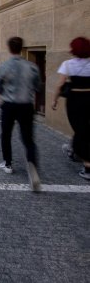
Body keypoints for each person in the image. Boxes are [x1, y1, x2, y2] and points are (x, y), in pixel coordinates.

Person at [0, 36, 42, 191]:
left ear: (9, 48)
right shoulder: (32, 67)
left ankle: (7, 163)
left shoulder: (4, 66)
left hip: (9, 105)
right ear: (21, 48)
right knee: (28, 139)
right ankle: (32, 166)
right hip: (26, 105)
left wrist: (2, 92)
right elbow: (38, 86)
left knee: (6, 134)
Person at [52, 37, 90, 180]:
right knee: (85, 129)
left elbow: (59, 84)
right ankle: (75, 150)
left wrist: (55, 100)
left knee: (80, 129)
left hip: (75, 100)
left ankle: (87, 165)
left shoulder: (68, 64)